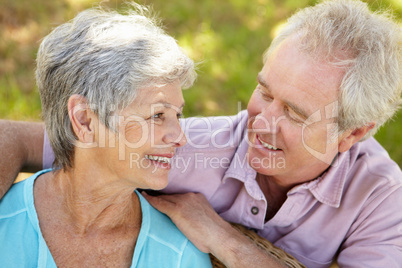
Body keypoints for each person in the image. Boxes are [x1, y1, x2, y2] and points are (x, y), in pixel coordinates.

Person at [1, 0, 401, 267]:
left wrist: (226, 241)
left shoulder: (383, 199)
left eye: (295, 115)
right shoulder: (186, 148)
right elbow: (19, 138)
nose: (259, 123)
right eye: (264, 92)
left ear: (353, 133)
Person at [0, 4, 212, 268]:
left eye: (177, 116)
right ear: (84, 120)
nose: (180, 138)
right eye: (157, 115)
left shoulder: (181, 255)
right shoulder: (5, 222)